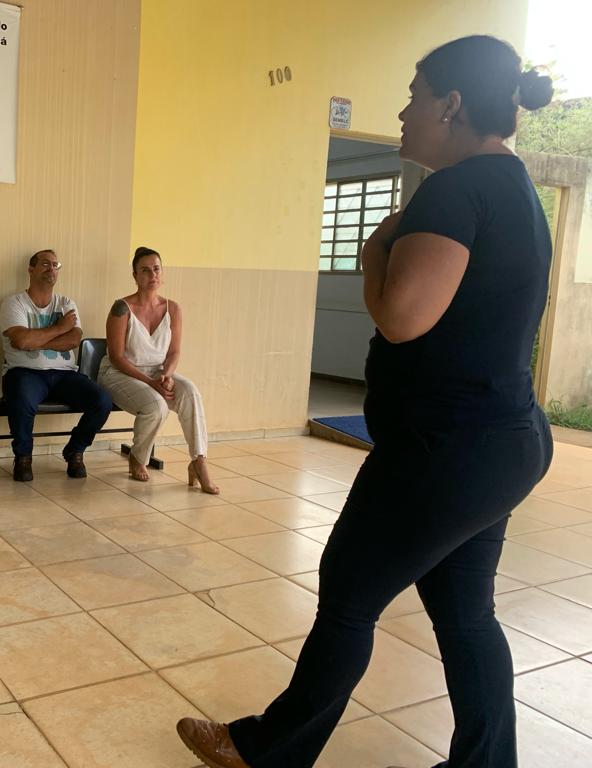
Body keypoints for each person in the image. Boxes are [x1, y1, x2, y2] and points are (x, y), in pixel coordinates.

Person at [176, 35, 555, 768]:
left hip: (445, 450)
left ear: (450, 105)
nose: (404, 112)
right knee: (466, 612)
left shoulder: (456, 190)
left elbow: (403, 317)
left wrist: (372, 255)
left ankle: (266, 751)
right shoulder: (515, 188)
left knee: (350, 594)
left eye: (414, 96)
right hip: (499, 443)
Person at [100, 246, 217, 493]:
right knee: (157, 406)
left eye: (156, 269)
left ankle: (199, 461)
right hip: (119, 374)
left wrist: (167, 375)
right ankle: (137, 457)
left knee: (191, 393)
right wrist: (151, 382)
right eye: (145, 270)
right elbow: (117, 358)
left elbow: (174, 352)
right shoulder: (121, 308)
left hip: (156, 373)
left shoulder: (173, 308)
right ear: (135, 275)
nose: (152, 274)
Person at [0, 249, 113, 481]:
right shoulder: (14, 303)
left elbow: (73, 341)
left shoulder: (66, 303)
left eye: (55, 265)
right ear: (31, 269)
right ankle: (23, 457)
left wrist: (35, 341)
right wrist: (59, 328)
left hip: (65, 374)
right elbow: (21, 340)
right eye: (45, 264)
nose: (51, 269)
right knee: (21, 398)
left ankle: (75, 450)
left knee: (102, 401)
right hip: (25, 373)